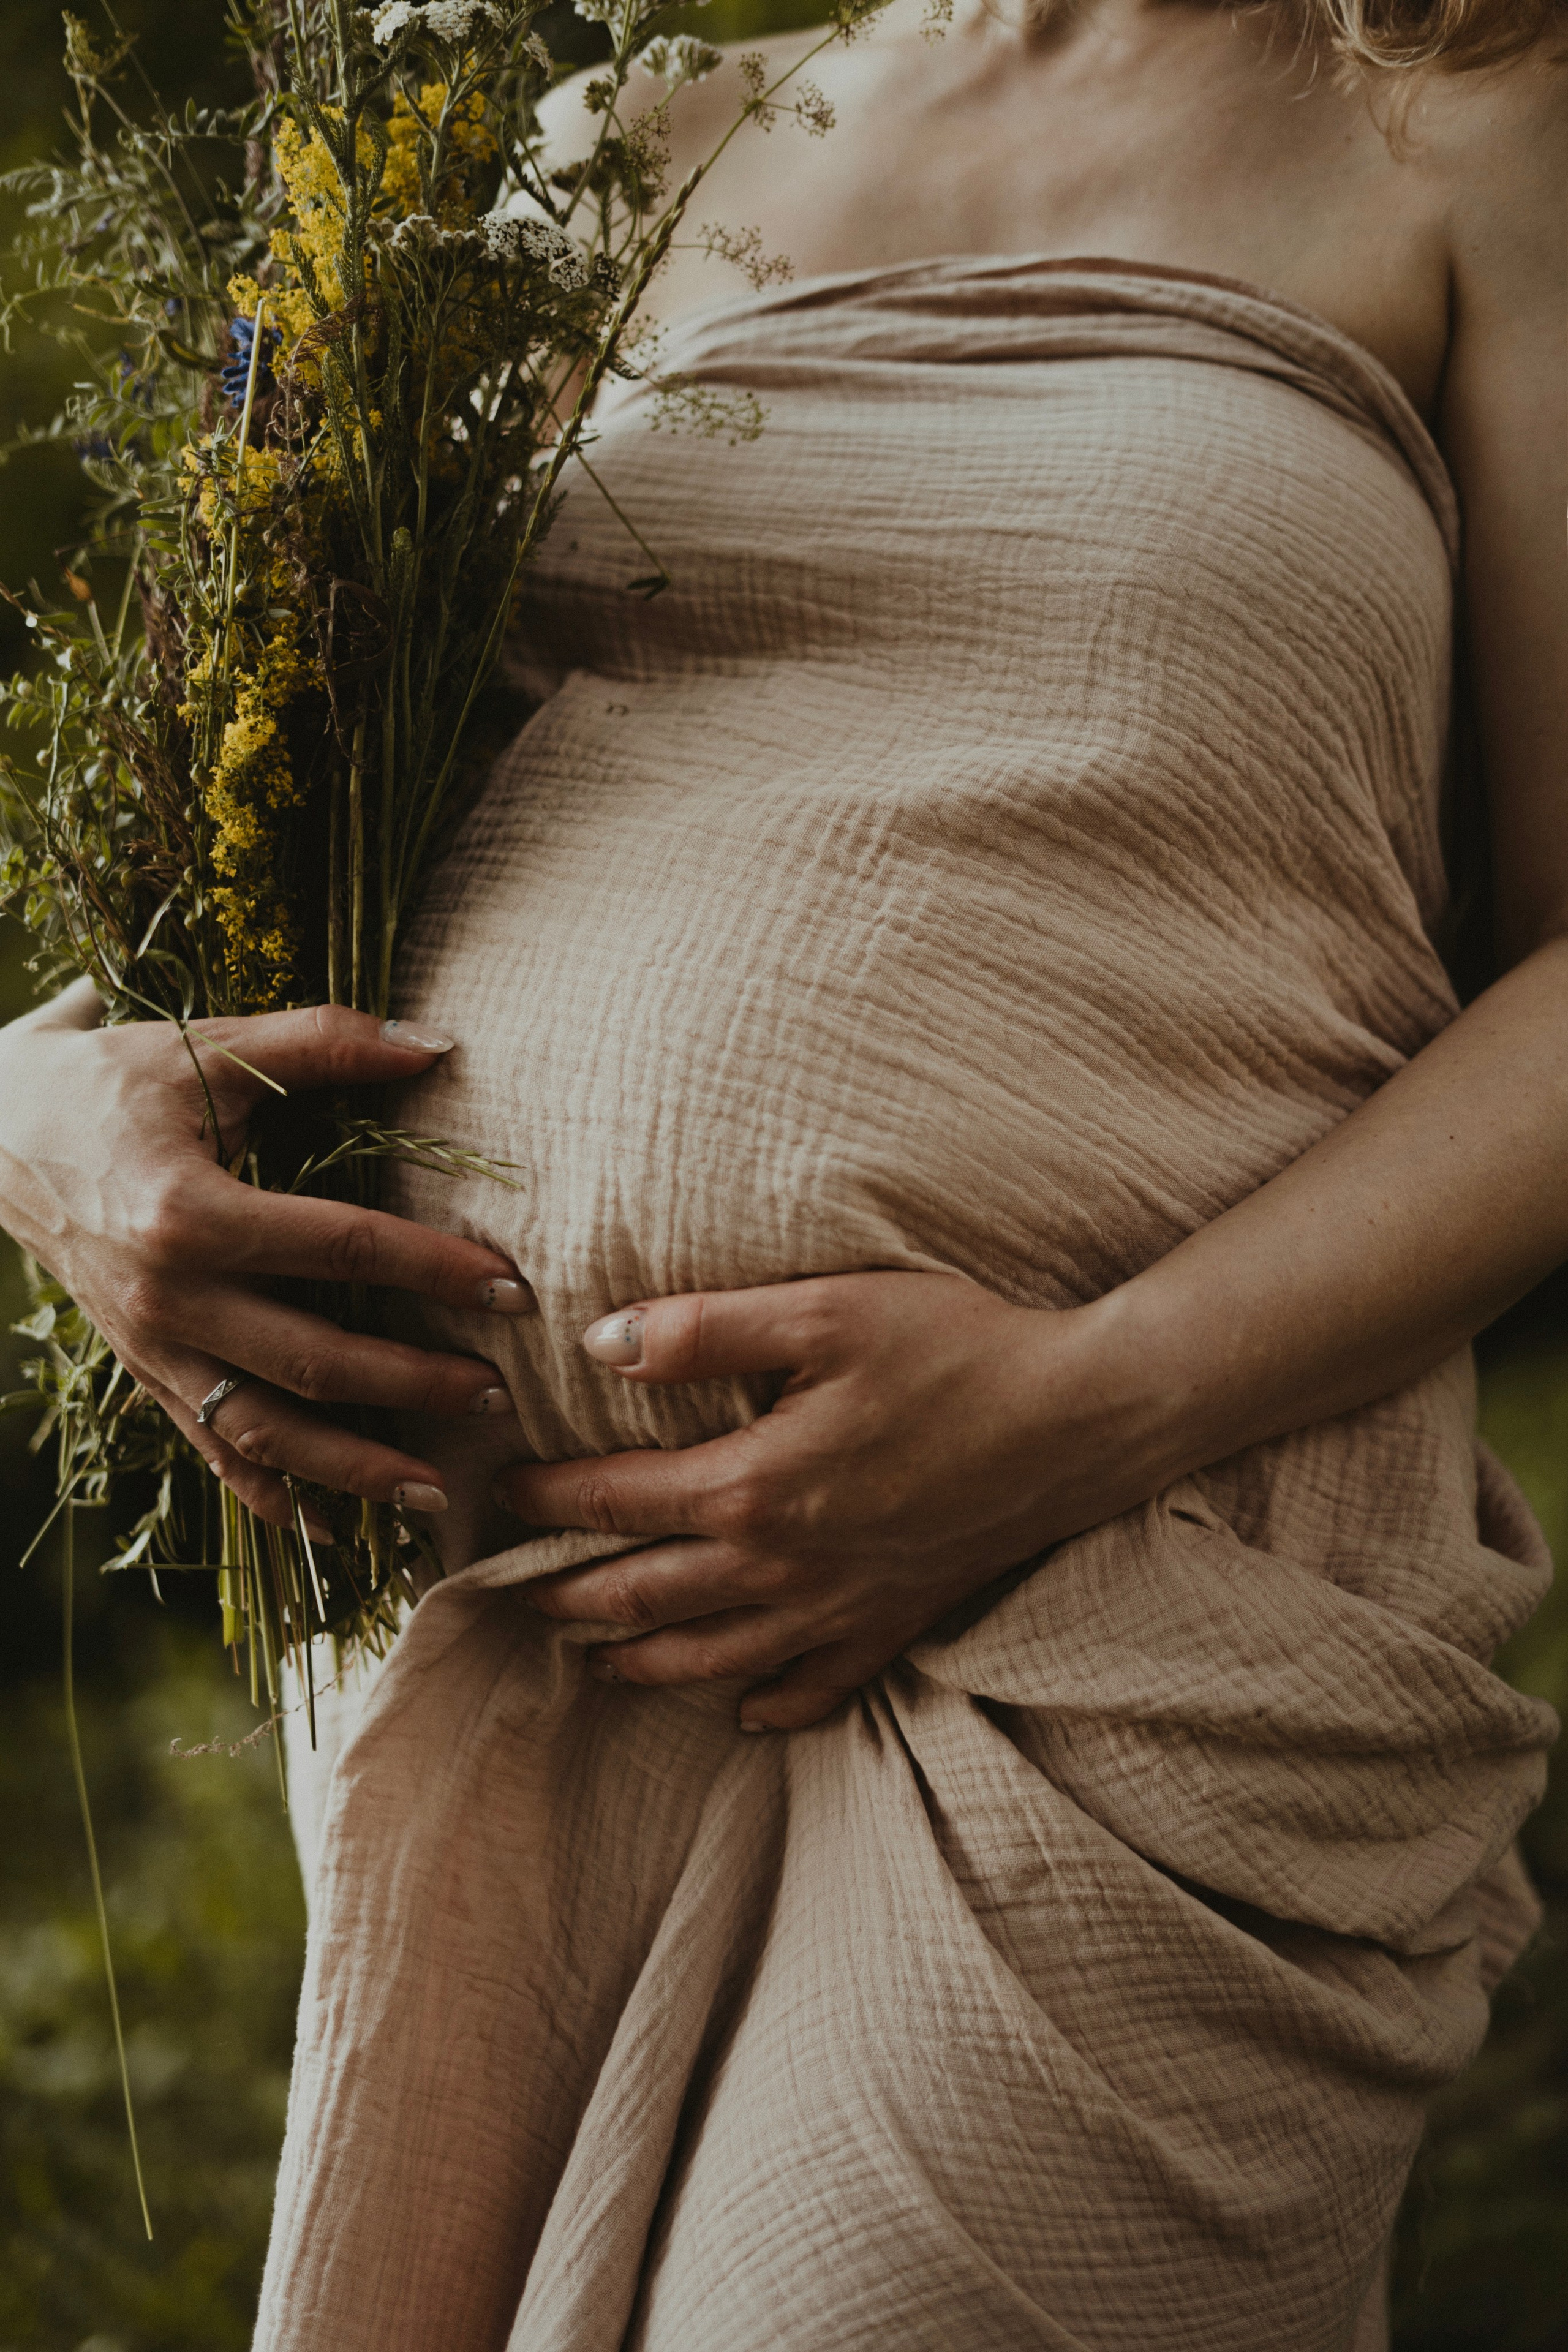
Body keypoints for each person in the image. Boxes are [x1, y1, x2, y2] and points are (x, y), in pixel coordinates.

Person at [0, 2, 1562, 2343]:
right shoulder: (581, 150)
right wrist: (44, 1129)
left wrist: (1073, 1409)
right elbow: (180, 844)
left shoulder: (1483, 125)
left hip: (1120, 1592)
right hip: (516, 1616)